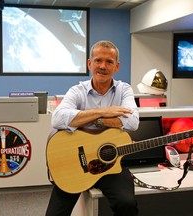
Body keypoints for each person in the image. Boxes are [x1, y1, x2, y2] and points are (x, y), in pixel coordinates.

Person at [46, 40, 140, 216]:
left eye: (109, 62)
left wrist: (94, 120)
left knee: (127, 204)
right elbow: (57, 119)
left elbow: (133, 122)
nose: (103, 66)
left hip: (112, 164)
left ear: (117, 67)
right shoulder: (77, 91)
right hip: (75, 163)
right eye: (98, 60)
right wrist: (104, 111)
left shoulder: (124, 90)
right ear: (90, 63)